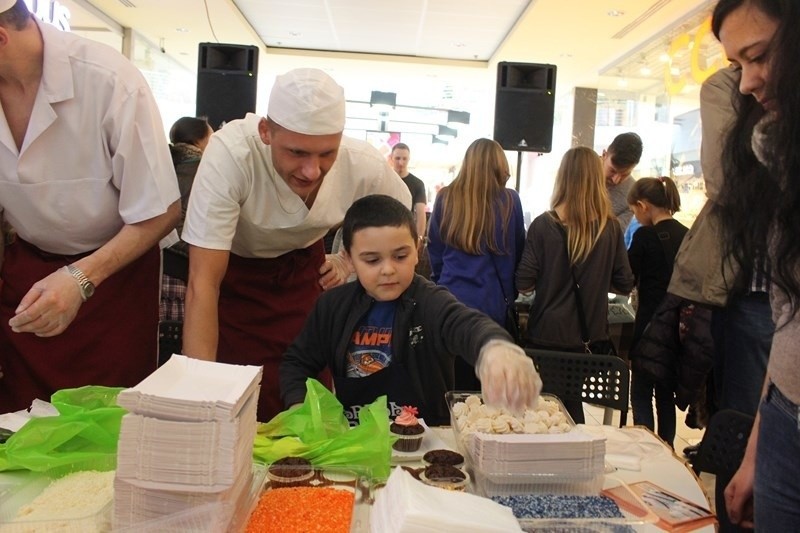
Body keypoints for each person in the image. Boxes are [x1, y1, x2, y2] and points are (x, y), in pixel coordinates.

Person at [181, 68, 412, 421]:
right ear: (266, 132)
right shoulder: (230, 156)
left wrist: (346, 260)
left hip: (306, 278)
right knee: (235, 398)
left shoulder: (361, 163)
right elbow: (203, 282)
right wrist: (198, 401)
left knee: (306, 397)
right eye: (297, 152)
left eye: (326, 154)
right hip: (235, 284)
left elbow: (399, 224)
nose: (311, 171)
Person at [0, 0, 181, 413]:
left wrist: (82, 277)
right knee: (20, 421)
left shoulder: (108, 80)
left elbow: (161, 211)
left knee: (108, 422)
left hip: (114, 279)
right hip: (26, 271)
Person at [280, 194, 542, 426]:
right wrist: (300, 407)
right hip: (355, 442)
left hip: (426, 451)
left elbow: (467, 325)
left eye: (400, 256)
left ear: (417, 250)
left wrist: (495, 350)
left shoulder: (431, 301)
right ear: (348, 258)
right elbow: (297, 363)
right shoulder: (332, 306)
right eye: (372, 260)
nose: (388, 269)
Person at [711, 0, 800, 529]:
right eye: (737, 65)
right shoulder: (774, 152)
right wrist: (756, 449)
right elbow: (788, 320)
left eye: (760, 56)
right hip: (785, 419)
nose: (747, 83)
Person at [516, 146, 634, 423]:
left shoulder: (544, 226)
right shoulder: (610, 227)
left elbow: (523, 281)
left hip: (546, 334)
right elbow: (624, 283)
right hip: (587, 337)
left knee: (546, 410)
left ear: (563, 177)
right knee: (571, 402)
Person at [427, 138, 526, 390]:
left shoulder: (445, 197)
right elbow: (514, 253)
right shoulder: (509, 201)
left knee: (449, 383)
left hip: (448, 301)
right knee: (483, 390)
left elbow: (435, 250)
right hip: (491, 304)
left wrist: (442, 283)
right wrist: (509, 294)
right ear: (500, 165)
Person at [626, 177, 689, 448]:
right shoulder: (687, 234)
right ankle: (667, 450)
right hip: (677, 328)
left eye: (634, 211)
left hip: (648, 326)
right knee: (665, 395)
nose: (635, 217)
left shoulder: (644, 236)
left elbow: (627, 278)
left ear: (643, 205)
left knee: (640, 393)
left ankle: (646, 448)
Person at [161, 116, 214, 323]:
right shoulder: (204, 172)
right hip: (186, 274)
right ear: (200, 141)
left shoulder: (164, 165)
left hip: (157, 272)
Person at [602, 132, 643, 231]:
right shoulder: (583, 173)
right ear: (604, 155)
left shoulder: (633, 193)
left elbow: (614, 233)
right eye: (612, 171)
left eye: (624, 174)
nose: (615, 180)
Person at [390, 143, 427, 244]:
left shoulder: (417, 184)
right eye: (397, 158)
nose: (401, 162)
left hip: (406, 233)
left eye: (404, 159)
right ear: (391, 158)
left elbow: (421, 214)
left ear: (409, 159)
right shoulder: (384, 179)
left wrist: (419, 239)